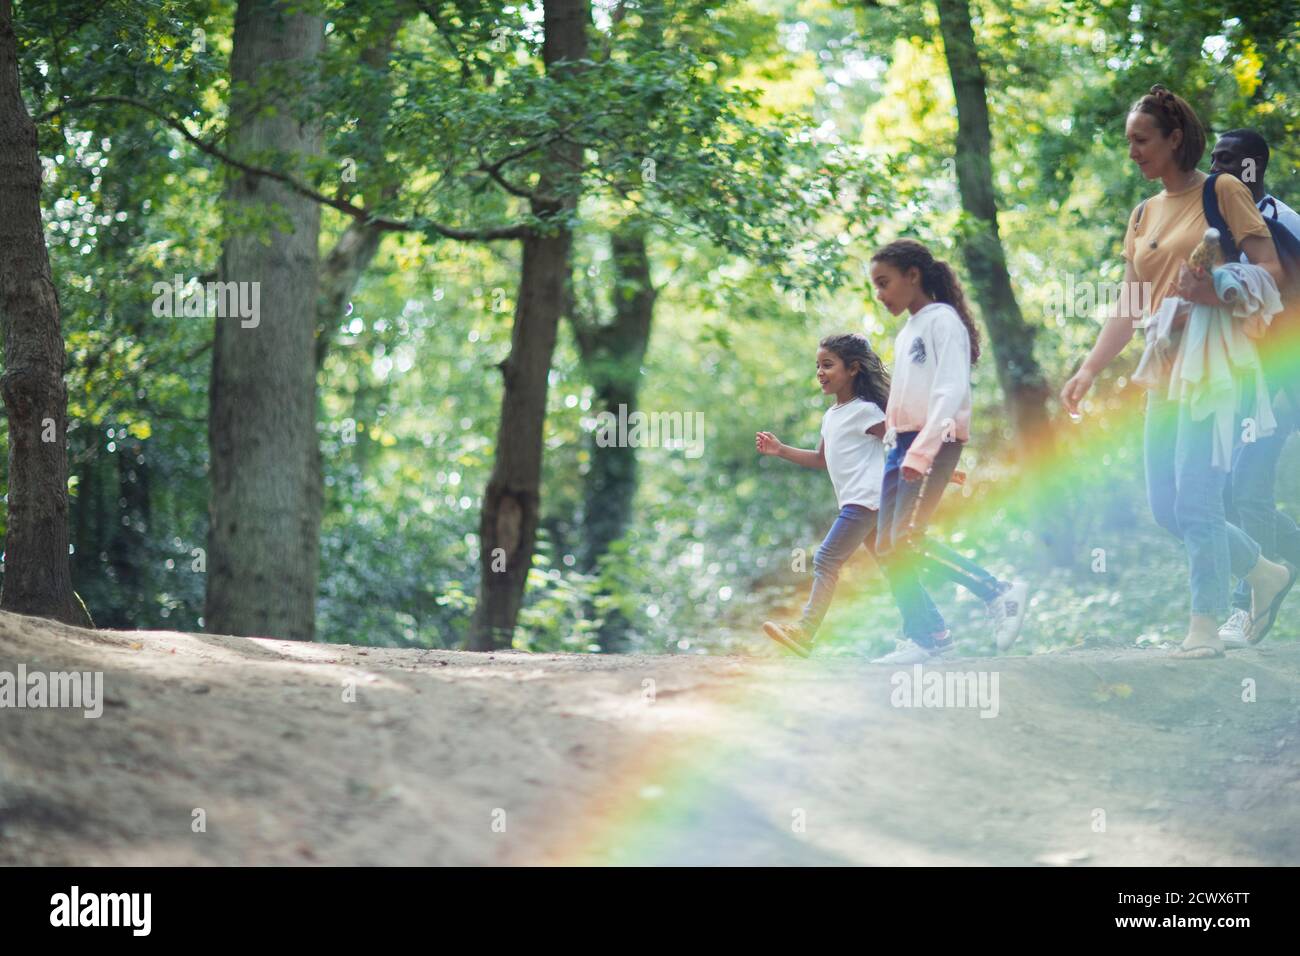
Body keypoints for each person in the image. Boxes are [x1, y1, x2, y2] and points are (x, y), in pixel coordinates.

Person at [1060, 85, 1296, 659]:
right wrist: (1089, 368)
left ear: (1174, 138)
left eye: (1142, 140)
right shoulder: (1142, 214)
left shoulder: (1223, 189)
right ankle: (1265, 572)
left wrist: (1216, 291)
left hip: (1216, 365)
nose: (1133, 151)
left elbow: (1271, 272)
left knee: (1197, 502)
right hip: (1163, 363)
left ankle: (1204, 625)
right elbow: (1130, 303)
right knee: (1167, 508)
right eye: (1128, 142)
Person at [866, 239, 1029, 665]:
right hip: (900, 444)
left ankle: (999, 593)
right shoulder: (909, 329)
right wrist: (894, 442)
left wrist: (926, 451)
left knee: (907, 541)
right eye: (875, 287)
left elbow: (950, 389)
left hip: (927, 442)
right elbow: (909, 395)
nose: (879, 294)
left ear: (912, 275)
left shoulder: (944, 322)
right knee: (887, 546)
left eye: (884, 283)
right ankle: (928, 638)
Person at [1209, 129, 1300, 644]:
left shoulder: (1282, 223)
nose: (1217, 166)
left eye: (1228, 159)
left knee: (1245, 490)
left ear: (1253, 166)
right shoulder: (1211, 227)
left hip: (1277, 383)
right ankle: (1277, 573)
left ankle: (1247, 606)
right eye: (1213, 158)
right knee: (1226, 494)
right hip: (1230, 385)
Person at [755, 333, 898, 657]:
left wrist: (931, 467)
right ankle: (928, 632)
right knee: (896, 567)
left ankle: (805, 631)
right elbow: (822, 459)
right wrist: (780, 450)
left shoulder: (865, 411)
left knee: (826, 558)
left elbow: (898, 439)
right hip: (859, 502)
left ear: (853, 369)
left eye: (828, 365)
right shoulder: (832, 416)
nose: (820, 372)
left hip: (867, 500)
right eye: (818, 365)